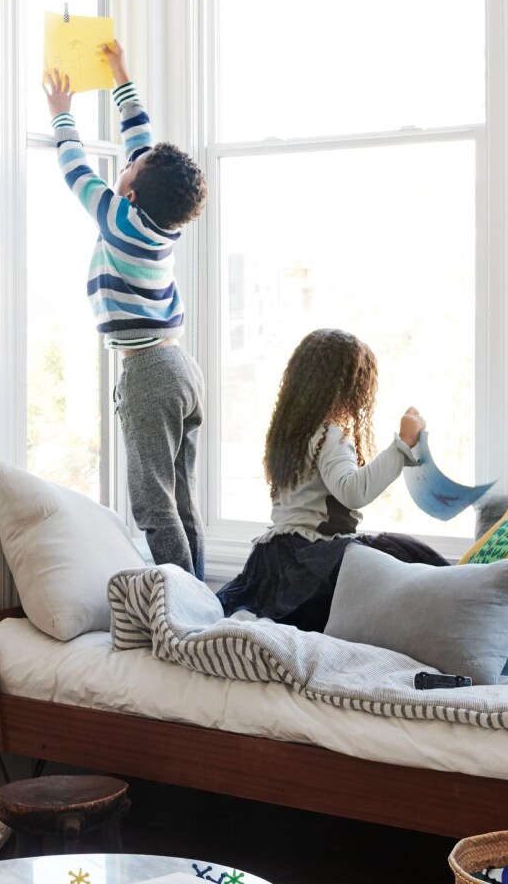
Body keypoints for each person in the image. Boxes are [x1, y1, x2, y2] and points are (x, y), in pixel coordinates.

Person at [44, 41, 210, 577]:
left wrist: (62, 116)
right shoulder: (162, 222)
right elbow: (143, 146)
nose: (129, 159)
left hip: (149, 374)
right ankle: (202, 601)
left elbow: (75, 171)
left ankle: (182, 616)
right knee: (183, 500)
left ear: (133, 192)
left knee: (154, 506)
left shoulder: (117, 218)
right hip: (181, 368)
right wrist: (121, 77)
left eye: (132, 167)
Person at [217, 328, 447, 632]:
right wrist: (403, 443)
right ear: (345, 389)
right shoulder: (329, 436)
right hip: (310, 559)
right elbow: (353, 491)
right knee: (414, 562)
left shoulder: (289, 435)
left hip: (274, 557)